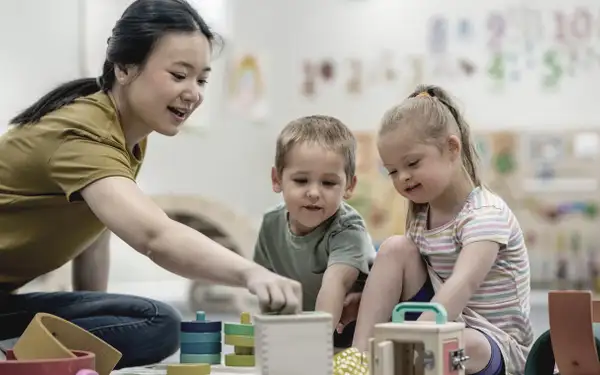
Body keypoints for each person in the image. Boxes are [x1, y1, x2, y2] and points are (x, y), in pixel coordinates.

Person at [0, 0, 301, 369]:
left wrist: (92, 309)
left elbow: (96, 231)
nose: (194, 92)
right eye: (179, 75)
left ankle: (22, 354)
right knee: (158, 323)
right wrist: (250, 272)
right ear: (124, 68)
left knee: (143, 318)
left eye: (202, 79)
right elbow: (154, 237)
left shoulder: (125, 134)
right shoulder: (81, 132)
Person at [344, 85, 533, 375]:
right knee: (394, 248)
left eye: (412, 163)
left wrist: (418, 336)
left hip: (495, 343)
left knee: (462, 344)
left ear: (452, 149)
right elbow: (398, 271)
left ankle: (411, 356)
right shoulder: (422, 217)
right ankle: (357, 361)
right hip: (443, 324)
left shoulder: (485, 214)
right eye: (392, 171)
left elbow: (464, 282)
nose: (402, 178)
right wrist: (370, 299)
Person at [253, 115, 376, 348]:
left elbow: (335, 284)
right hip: (300, 328)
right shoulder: (271, 223)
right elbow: (266, 285)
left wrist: (312, 345)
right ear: (277, 179)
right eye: (301, 181)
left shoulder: (348, 229)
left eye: (328, 183)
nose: (313, 193)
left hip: (350, 333)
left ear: (349, 186)